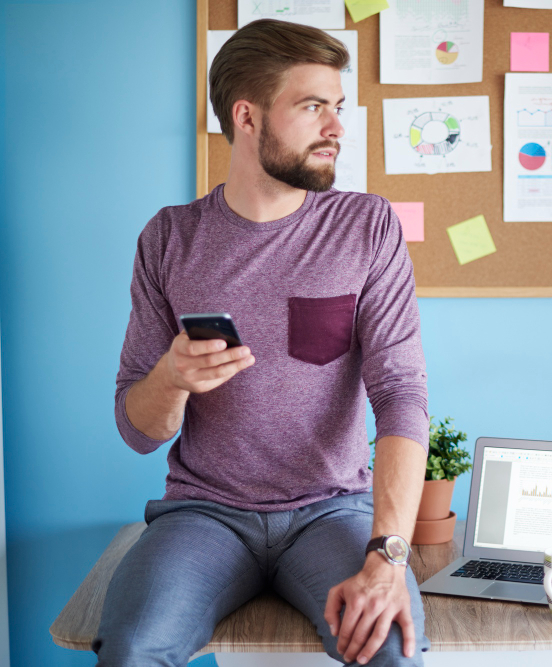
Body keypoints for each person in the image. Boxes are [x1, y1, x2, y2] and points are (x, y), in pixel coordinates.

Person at [93, 19, 431, 666]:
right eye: (312, 107)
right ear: (246, 117)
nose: (336, 128)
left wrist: (388, 551)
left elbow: (401, 393)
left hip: (334, 512)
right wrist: (171, 377)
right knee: (131, 648)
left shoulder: (368, 227)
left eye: (338, 108)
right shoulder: (168, 240)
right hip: (205, 515)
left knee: (391, 648)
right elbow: (137, 430)